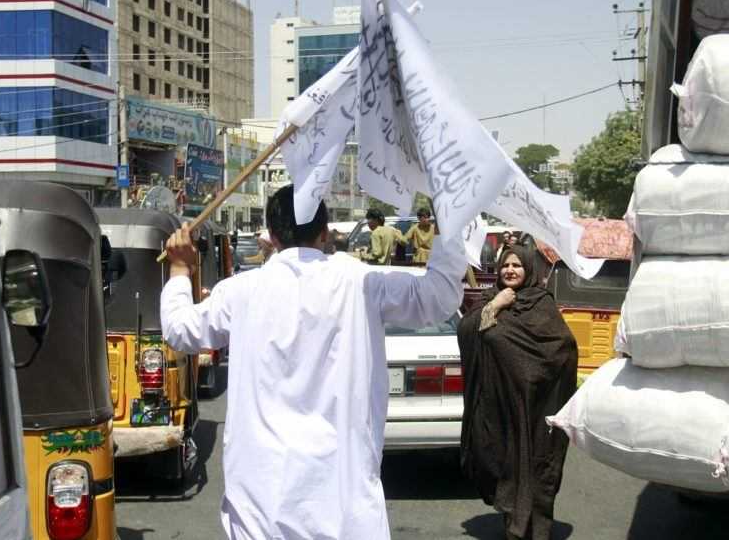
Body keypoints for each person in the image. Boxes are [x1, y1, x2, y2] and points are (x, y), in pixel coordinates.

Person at [160, 184, 467, 539]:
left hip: (261, 505)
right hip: (343, 504)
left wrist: (180, 269)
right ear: (324, 232)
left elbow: (180, 331)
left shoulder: (241, 291)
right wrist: (450, 221)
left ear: (272, 235)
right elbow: (440, 296)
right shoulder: (360, 282)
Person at [457, 244, 577, 540]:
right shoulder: (490, 298)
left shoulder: (541, 303)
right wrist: (495, 305)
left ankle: (533, 531)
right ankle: (513, 521)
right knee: (499, 463)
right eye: (505, 266)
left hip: (535, 409)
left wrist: (533, 374)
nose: (510, 270)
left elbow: (563, 348)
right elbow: (465, 331)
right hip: (497, 407)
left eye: (517, 266)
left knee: (535, 468)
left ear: (529, 269)